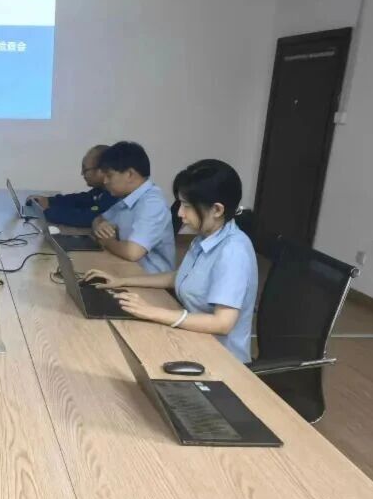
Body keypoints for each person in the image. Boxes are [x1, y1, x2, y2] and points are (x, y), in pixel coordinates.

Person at [82, 159, 258, 364]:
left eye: (187, 206)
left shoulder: (233, 251)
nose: (180, 213)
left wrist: (152, 311)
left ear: (217, 210)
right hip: (193, 340)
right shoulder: (206, 237)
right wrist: (121, 281)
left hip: (221, 360)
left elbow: (222, 323)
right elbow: (181, 277)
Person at [90, 141, 176, 273]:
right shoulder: (129, 197)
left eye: (109, 175)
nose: (105, 181)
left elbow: (133, 252)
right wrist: (101, 226)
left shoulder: (152, 203)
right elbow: (99, 218)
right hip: (128, 267)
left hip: (149, 278)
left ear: (129, 174)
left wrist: (107, 241)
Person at [27, 144, 119, 228]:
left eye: (85, 169)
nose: (82, 173)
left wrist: (48, 211)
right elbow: (79, 200)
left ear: (101, 171)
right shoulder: (100, 190)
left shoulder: (114, 194)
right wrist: (50, 201)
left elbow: (87, 217)